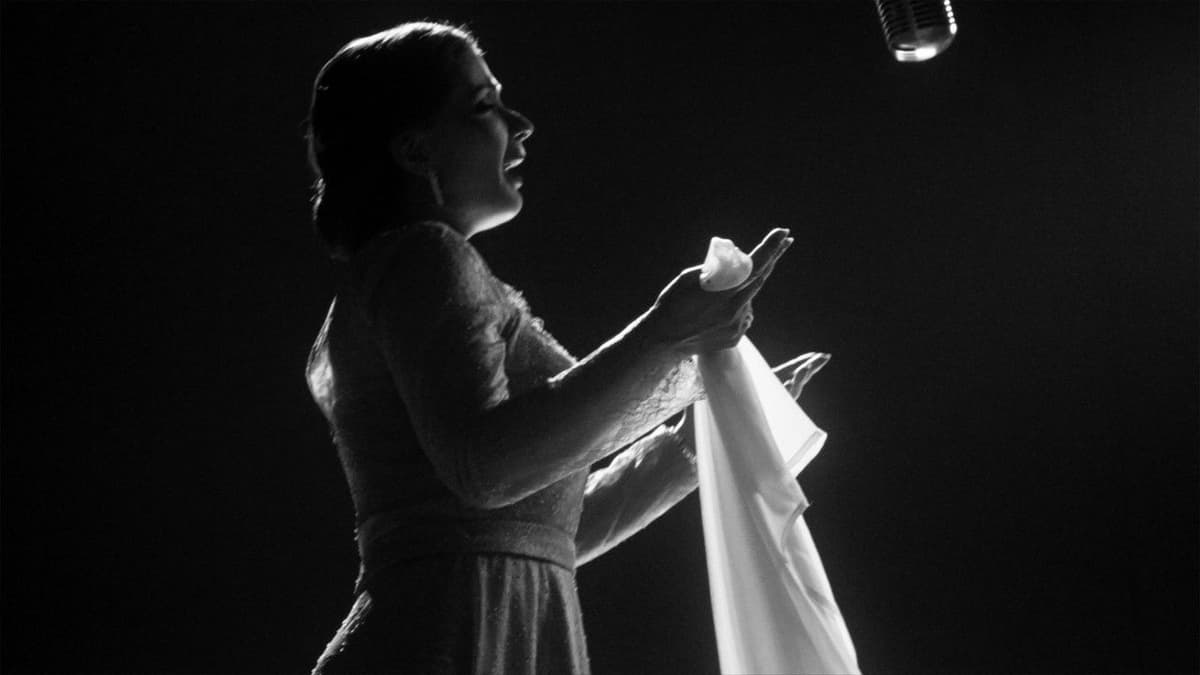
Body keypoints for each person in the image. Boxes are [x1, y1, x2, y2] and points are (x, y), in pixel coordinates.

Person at [303, 21, 827, 674]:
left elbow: (542, 529)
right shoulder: (423, 257)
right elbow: (488, 467)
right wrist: (665, 332)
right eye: (485, 106)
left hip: (477, 627)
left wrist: (693, 441)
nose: (520, 126)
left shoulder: (399, 272)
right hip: (445, 639)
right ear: (414, 148)